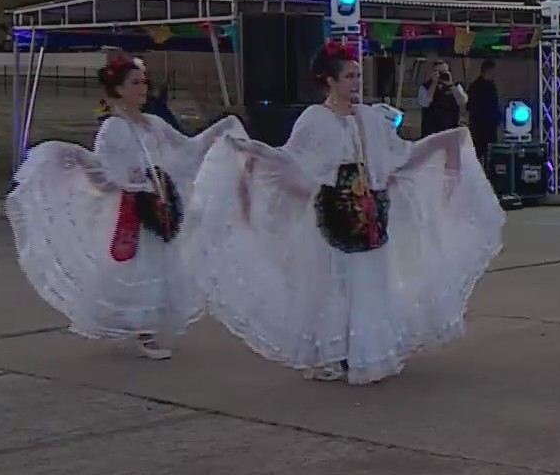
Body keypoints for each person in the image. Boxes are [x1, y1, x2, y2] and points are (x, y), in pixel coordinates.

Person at [190, 43, 504, 384]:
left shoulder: (369, 117)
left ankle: (364, 349)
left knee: (368, 281)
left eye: (357, 76)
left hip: (369, 211)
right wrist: (254, 153)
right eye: (349, 76)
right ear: (329, 80)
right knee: (334, 282)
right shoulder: (314, 119)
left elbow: (397, 156)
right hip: (333, 212)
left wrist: (444, 145)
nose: (356, 83)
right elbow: (294, 161)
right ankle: (332, 352)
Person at [7, 54, 245, 360]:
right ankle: (143, 333)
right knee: (138, 266)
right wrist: (133, 181)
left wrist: (221, 129)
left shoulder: (153, 124)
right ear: (118, 89)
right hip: (135, 207)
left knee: (157, 266)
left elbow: (187, 149)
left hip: (159, 201)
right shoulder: (113, 128)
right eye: (135, 83)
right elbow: (106, 175)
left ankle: (144, 329)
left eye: (143, 82)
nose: (143, 88)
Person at [417, 59, 466, 138]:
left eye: (444, 72)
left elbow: (463, 101)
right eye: (438, 72)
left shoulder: (456, 86)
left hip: (450, 130)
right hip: (431, 131)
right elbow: (425, 103)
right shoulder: (425, 87)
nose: (441, 75)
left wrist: (451, 85)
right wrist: (434, 83)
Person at [466, 59, 501, 164]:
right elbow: (470, 105)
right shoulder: (475, 87)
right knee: (479, 152)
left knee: (490, 154)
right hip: (479, 126)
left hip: (490, 126)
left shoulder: (491, 86)